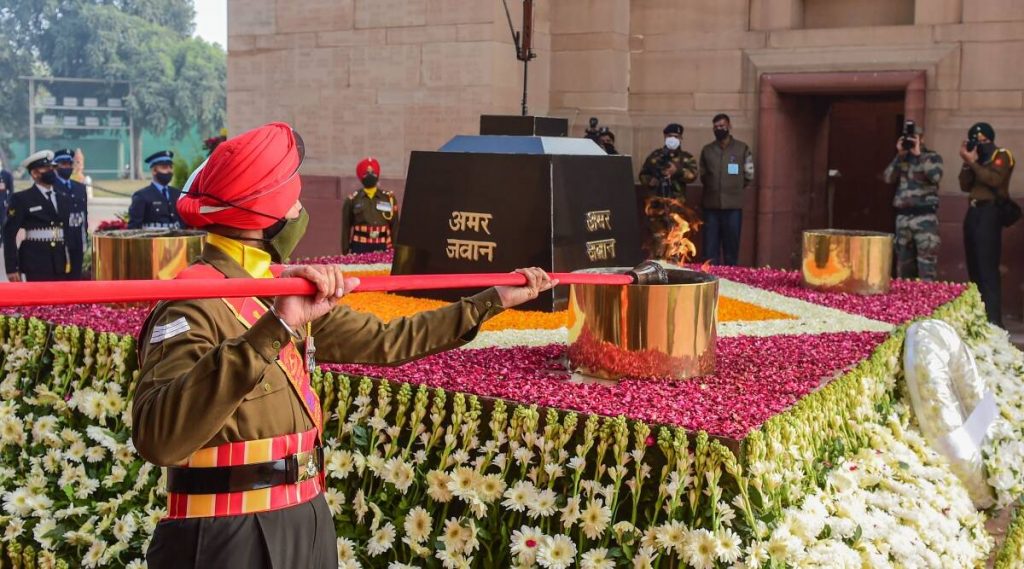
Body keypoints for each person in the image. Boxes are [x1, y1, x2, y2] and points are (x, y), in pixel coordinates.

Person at [131, 122, 555, 568]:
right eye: (292, 202)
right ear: (265, 218)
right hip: (228, 533)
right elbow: (159, 436)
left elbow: (389, 340)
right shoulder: (193, 304)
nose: (298, 211)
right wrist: (275, 327)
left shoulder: (279, 290)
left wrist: (492, 302)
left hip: (305, 517)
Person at [959, 122, 1015, 326]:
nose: (981, 145)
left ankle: (993, 322)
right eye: (977, 141)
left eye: (984, 141)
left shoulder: (1002, 155)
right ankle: (977, 318)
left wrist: (974, 163)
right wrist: (967, 162)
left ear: (991, 139)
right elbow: (964, 184)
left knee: (987, 270)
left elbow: (993, 180)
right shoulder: (976, 159)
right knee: (974, 268)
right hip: (973, 212)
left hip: (990, 214)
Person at [882, 122, 943, 281]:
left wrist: (918, 156)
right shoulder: (902, 159)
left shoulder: (931, 157)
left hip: (925, 218)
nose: (910, 141)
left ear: (921, 139)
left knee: (926, 267)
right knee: (903, 267)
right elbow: (888, 177)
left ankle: (927, 301)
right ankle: (907, 303)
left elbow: (935, 177)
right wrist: (899, 155)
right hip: (903, 219)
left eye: (913, 138)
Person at [3, 151, 72, 282]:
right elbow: (9, 234)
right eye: (46, 168)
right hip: (35, 260)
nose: (51, 171)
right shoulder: (22, 199)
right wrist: (11, 268)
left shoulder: (62, 198)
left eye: (52, 167)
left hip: (60, 260)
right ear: (35, 173)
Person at [699, 114, 754, 266]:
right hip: (711, 206)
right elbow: (703, 175)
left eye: (722, 126)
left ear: (729, 126)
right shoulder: (707, 150)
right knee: (710, 250)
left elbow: (749, 174)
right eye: (716, 127)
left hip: (733, 207)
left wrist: (734, 187)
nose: (719, 129)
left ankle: (731, 280)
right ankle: (711, 280)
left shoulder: (742, 148)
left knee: (731, 248)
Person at [341, 157, 398, 254]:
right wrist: (345, 251)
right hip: (360, 245)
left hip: (383, 245)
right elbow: (346, 227)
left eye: (373, 173)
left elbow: (395, 225)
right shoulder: (352, 200)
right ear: (361, 177)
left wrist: (396, 248)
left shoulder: (388, 198)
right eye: (366, 174)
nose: (370, 176)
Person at [52, 148, 89, 279]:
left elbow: (84, 214)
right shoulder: (51, 186)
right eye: (63, 164)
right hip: (60, 238)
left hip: (77, 237)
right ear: (55, 166)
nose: (67, 167)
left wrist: (85, 238)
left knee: (76, 276)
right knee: (60, 277)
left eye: (69, 164)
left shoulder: (79, 187)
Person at [639, 123, 698, 201]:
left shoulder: (686, 157)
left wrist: (677, 171)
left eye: (676, 136)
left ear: (680, 138)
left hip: (677, 202)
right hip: (657, 201)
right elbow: (643, 174)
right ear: (665, 137)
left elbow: (693, 176)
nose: (673, 139)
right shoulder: (655, 155)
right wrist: (650, 181)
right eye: (670, 136)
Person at [128, 151, 182, 229]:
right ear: (154, 171)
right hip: (152, 239)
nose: (169, 171)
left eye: (170, 167)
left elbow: (182, 223)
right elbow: (134, 227)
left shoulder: (177, 193)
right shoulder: (142, 196)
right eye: (164, 167)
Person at [0, 159, 12, 234]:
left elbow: (11, 190)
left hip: (2, 203)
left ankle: (2, 241)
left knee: (3, 222)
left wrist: (7, 201)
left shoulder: (6, 175)